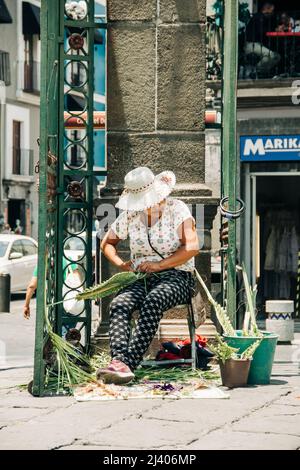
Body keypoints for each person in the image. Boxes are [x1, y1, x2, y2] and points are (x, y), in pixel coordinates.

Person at [96, 167, 199, 384]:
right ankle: (119, 361)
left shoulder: (177, 209)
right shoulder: (131, 215)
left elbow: (191, 247)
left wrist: (160, 265)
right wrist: (123, 265)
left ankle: (126, 364)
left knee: (153, 301)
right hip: (142, 277)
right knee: (119, 304)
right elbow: (107, 244)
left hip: (177, 277)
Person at [245, 2, 280, 76]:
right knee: (272, 55)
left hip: (258, 44)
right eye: (272, 11)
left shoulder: (264, 18)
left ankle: (261, 72)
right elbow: (262, 31)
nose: (272, 13)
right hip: (251, 44)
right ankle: (256, 71)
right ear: (267, 10)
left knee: (277, 56)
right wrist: (274, 30)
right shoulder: (259, 17)